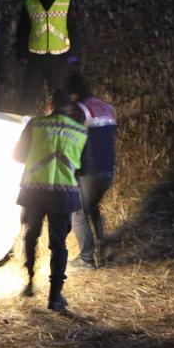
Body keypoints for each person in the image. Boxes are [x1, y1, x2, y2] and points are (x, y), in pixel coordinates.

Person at [14, 89, 88, 312]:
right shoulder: (81, 132)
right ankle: (55, 297)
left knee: (31, 235)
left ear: (50, 104)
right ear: (70, 106)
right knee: (58, 244)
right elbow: (85, 167)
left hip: (34, 191)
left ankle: (29, 281)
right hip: (63, 194)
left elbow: (17, 155)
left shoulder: (35, 125)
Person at [64, 72, 117, 269]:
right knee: (92, 207)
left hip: (90, 169)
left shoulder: (79, 109)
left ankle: (86, 259)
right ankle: (105, 248)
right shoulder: (105, 106)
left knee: (77, 212)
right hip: (108, 169)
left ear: (72, 92)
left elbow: (73, 141)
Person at [16, 0, 82, 114]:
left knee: (60, 97)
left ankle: (57, 127)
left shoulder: (66, 2)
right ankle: (23, 127)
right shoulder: (30, 2)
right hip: (35, 58)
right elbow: (22, 30)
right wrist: (21, 54)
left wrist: (73, 52)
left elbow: (73, 28)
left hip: (59, 57)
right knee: (28, 96)